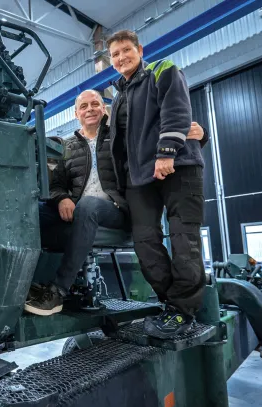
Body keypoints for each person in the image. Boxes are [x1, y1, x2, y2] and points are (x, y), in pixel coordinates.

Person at [24, 89, 206, 317]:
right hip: (80, 209)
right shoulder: (66, 146)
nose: (89, 109)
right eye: (84, 106)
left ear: (103, 109)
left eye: (95, 104)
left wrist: (199, 134)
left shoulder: (120, 138)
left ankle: (58, 291)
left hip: (115, 209)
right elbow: (57, 184)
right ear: (76, 113)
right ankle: (22, 283)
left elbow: (154, 139)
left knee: (89, 205)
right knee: (31, 211)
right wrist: (62, 198)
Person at [107, 29, 207, 339]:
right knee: (145, 242)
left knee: (182, 237)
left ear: (139, 49)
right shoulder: (119, 96)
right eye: (115, 54)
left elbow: (176, 110)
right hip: (140, 179)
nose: (121, 57)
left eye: (126, 50)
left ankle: (183, 311)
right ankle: (171, 304)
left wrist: (166, 153)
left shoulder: (162, 69)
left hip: (177, 166)